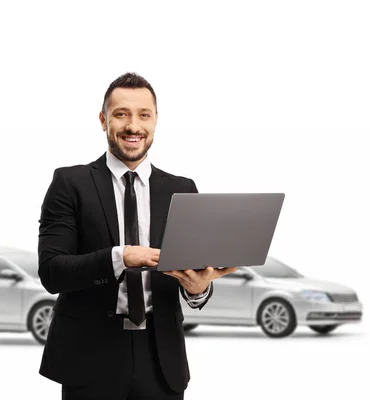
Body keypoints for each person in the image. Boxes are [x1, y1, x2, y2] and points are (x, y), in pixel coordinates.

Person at [37, 72, 237, 399]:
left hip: (161, 357)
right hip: (90, 353)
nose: (133, 126)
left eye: (144, 115)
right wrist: (120, 258)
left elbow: (194, 274)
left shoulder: (182, 190)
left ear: (156, 121)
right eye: (121, 114)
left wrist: (199, 290)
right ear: (103, 120)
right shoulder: (69, 184)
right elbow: (52, 272)